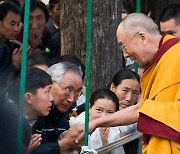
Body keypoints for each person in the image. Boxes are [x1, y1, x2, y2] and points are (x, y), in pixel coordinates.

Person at [77, 13, 180, 154]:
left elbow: (143, 110)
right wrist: (95, 123)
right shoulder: (159, 63)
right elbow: (141, 110)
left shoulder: (177, 56)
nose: (125, 55)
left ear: (142, 37)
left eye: (123, 46)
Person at [32, 62, 83, 154]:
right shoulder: (34, 110)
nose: (72, 99)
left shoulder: (73, 111)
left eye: (77, 92)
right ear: (50, 83)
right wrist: (64, 144)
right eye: (68, 89)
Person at [5, 67, 53, 153]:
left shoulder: (34, 118)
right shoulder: (7, 124)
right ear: (28, 97)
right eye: (47, 92)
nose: (52, 98)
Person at [69, 89, 125, 154]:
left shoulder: (114, 131)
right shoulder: (76, 124)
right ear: (89, 108)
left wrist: (104, 142)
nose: (103, 116)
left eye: (110, 112)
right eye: (99, 110)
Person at [110, 69, 141, 154]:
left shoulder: (139, 121)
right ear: (113, 87)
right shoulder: (94, 112)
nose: (129, 98)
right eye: (125, 91)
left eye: (135, 93)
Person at [0, 1, 21, 90]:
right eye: (12, 24)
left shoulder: (14, 47)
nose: (16, 29)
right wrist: (14, 65)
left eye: (18, 24)